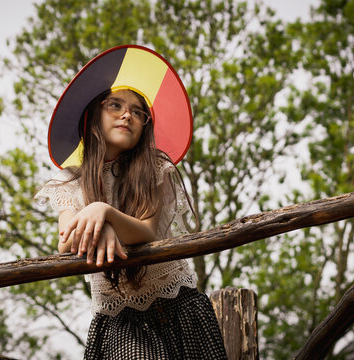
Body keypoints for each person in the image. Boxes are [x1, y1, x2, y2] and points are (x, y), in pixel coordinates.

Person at [35, 45, 227, 360]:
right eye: (116, 105)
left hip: (178, 306)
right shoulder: (69, 181)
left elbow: (148, 231)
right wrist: (102, 227)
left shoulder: (153, 168)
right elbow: (68, 240)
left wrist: (103, 212)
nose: (128, 115)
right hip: (120, 318)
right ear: (93, 114)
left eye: (139, 112)